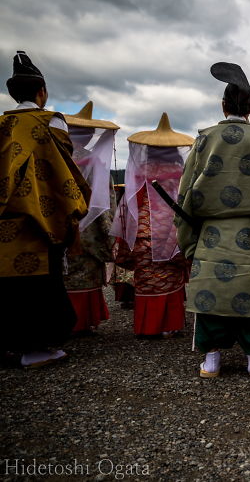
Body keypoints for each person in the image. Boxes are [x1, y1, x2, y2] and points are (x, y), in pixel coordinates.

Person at [176, 62, 250, 377]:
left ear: (223, 106)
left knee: (210, 292)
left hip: (210, 232)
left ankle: (211, 361)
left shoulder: (203, 139)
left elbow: (186, 190)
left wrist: (187, 236)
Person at [0, 50, 90, 367]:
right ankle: (35, 349)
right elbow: (63, 169)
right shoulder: (52, 121)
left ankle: (9, 345)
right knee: (38, 287)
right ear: (42, 91)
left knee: (7, 286)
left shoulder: (2, 124)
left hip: (3, 220)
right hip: (40, 217)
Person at [111, 113, 192, 338]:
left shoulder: (141, 171)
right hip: (171, 232)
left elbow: (130, 201)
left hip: (143, 232)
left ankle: (147, 326)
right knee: (170, 277)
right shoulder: (179, 172)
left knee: (146, 279)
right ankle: (170, 325)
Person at [63, 102, 118, 333]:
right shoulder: (94, 162)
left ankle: (61, 321)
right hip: (88, 226)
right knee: (86, 271)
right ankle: (84, 322)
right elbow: (104, 200)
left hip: (58, 222)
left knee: (63, 272)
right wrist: (108, 233)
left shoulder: (56, 156)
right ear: (87, 137)